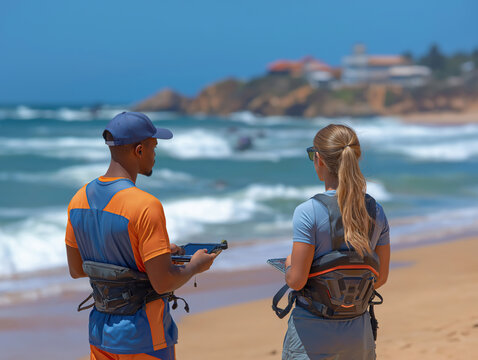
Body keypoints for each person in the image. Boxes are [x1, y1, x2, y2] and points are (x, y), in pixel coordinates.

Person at [65, 111, 217, 360]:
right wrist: (194, 267)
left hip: (100, 333)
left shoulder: (78, 200)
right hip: (143, 335)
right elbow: (164, 282)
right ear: (138, 150)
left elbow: (77, 269)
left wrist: (147, 254)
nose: (155, 154)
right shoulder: (145, 205)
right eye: (153, 146)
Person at [282, 124, 390, 360]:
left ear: (318, 159)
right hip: (358, 333)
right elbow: (380, 278)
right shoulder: (376, 210)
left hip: (311, 334)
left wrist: (289, 263)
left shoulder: (308, 211)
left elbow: (297, 281)